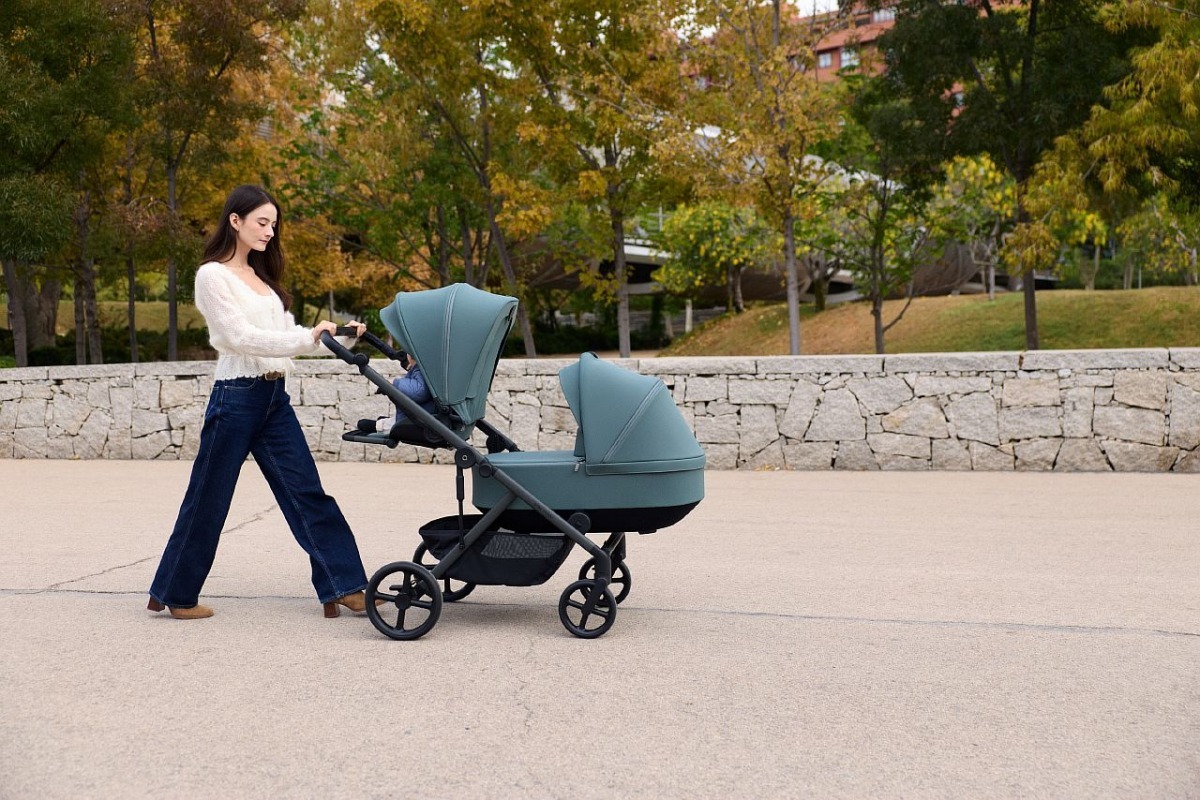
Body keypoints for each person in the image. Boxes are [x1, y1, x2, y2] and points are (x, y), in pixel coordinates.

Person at [147, 184, 373, 620]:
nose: (270, 231)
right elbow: (240, 337)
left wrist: (337, 336)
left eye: (274, 224)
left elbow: (286, 339)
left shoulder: (262, 280)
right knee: (209, 498)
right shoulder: (212, 276)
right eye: (262, 222)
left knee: (308, 493)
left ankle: (345, 586)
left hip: (273, 400)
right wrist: (308, 337)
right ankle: (175, 592)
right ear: (236, 221)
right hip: (235, 398)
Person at [357, 349, 437, 434]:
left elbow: (420, 390)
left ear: (410, 356)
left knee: (368, 424)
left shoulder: (419, 370)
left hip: (419, 420)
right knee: (393, 420)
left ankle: (378, 426)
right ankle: (381, 424)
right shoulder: (423, 369)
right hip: (423, 413)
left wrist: (395, 383)